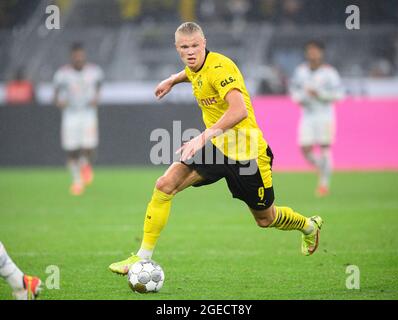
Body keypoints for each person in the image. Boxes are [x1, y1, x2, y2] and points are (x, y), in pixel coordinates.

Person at [109, 22, 323, 275]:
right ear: (177, 49)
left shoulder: (220, 68)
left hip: (248, 155)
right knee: (165, 185)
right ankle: (141, 258)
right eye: (184, 47)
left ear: (205, 43)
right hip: (219, 147)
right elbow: (191, 73)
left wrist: (203, 137)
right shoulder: (195, 67)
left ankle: (308, 226)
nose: (191, 52)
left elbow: (239, 109)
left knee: (265, 219)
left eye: (195, 46)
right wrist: (172, 80)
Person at [290, 40, 344, 197]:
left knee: (325, 148)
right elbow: (294, 90)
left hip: (325, 115)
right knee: (304, 148)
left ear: (321, 53)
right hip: (307, 115)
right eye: (309, 51)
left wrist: (320, 95)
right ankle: (323, 168)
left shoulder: (329, 73)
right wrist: (301, 97)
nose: (312, 54)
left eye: (315, 51)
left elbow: (339, 95)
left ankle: (323, 184)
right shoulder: (300, 71)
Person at [53, 43, 104, 196]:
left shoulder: (94, 72)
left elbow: (99, 86)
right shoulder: (62, 74)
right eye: (76, 56)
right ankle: (77, 181)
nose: (79, 59)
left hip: (88, 112)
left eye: (81, 56)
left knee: (89, 146)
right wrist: (58, 101)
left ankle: (85, 164)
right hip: (71, 113)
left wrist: (96, 98)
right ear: (72, 57)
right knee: (71, 149)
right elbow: (55, 93)